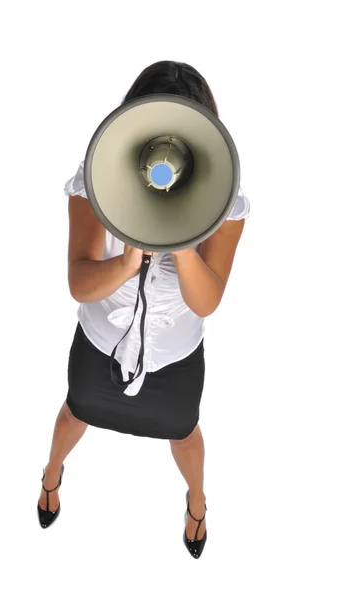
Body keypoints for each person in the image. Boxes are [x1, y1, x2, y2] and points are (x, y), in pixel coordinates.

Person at [37, 60, 250, 559]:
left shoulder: (224, 205)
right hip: (99, 343)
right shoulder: (93, 186)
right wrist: (131, 255)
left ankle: (197, 504)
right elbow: (80, 282)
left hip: (175, 358)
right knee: (75, 410)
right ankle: (50, 476)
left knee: (183, 431)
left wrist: (179, 236)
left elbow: (207, 300)